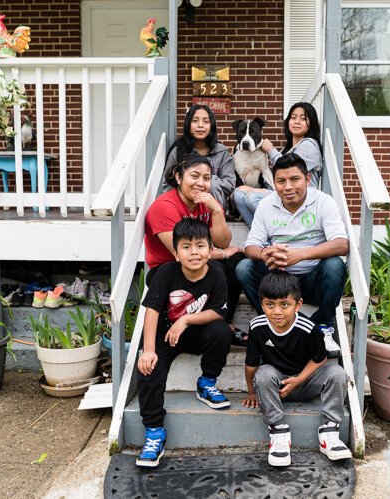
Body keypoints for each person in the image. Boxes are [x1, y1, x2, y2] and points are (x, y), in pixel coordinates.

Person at [136, 218, 233, 468]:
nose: (194, 252)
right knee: (149, 368)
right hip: (166, 334)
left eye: (200, 246)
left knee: (222, 331)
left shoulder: (216, 274)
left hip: (197, 333)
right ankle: (155, 431)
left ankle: (207, 383)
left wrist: (187, 319)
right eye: (186, 247)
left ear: (210, 250)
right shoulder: (166, 273)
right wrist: (148, 350)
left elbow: (219, 312)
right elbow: (153, 311)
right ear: (176, 253)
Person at [235, 153, 348, 358]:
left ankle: (322, 326)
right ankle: (272, 324)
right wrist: (264, 254)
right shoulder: (267, 205)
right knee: (244, 267)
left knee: (334, 265)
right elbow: (250, 246)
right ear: (274, 183)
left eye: (294, 179)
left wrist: (301, 255)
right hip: (279, 279)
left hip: (313, 279)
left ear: (307, 179)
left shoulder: (323, 202)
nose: (287, 187)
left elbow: (341, 244)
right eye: (281, 181)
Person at [242, 271, 351, 467]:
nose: (277, 311)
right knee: (264, 373)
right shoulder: (257, 326)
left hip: (306, 381)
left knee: (337, 373)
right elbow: (251, 365)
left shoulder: (308, 328)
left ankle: (329, 433)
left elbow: (321, 359)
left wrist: (299, 380)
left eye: (285, 305)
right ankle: (278, 432)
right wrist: (251, 391)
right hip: (278, 387)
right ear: (261, 304)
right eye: (270, 305)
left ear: (298, 305)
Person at [145, 153, 245, 334]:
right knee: (217, 265)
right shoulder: (164, 207)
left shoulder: (206, 202)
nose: (201, 183)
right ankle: (198, 320)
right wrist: (222, 254)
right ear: (178, 177)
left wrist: (216, 210)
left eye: (206, 178)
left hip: (199, 262)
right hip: (168, 268)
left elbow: (223, 242)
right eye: (194, 176)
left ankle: (222, 318)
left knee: (237, 260)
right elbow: (180, 251)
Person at [233, 102, 323, 225]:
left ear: (311, 123)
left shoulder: (309, 145)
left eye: (303, 118)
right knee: (238, 195)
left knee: (252, 197)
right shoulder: (288, 148)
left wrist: (270, 151)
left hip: (301, 198)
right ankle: (264, 236)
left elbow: (290, 170)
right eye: (293, 117)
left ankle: (280, 231)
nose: (297, 121)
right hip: (284, 193)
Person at [164, 104, 236, 208]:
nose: (200, 125)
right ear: (188, 124)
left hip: (214, 208)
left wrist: (208, 179)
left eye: (206, 121)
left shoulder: (222, 152)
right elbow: (167, 185)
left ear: (212, 126)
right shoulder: (178, 151)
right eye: (195, 120)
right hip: (184, 209)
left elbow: (229, 185)